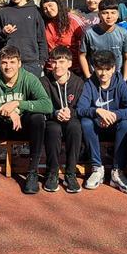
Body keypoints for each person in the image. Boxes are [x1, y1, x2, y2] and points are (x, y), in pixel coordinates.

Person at [0, 45, 53, 197]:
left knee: (39, 117)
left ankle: (32, 172)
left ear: (19, 63)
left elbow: (47, 105)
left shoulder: (29, 78)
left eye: (12, 62)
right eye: (4, 62)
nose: (8, 66)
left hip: (23, 127)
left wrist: (18, 104)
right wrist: (6, 109)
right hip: (1, 127)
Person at [76, 50, 127, 193]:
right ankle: (97, 168)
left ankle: (117, 171)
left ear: (114, 69)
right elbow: (80, 109)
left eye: (107, 69)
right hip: (96, 127)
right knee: (86, 122)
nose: (103, 73)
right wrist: (97, 111)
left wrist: (115, 115)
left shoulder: (120, 83)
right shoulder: (89, 84)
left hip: (114, 127)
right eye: (99, 69)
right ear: (94, 68)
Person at [39, 46, 85, 193]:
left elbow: (81, 107)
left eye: (62, 61)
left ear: (70, 63)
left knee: (75, 128)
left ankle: (70, 173)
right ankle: (52, 172)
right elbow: (41, 105)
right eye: (54, 62)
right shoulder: (44, 82)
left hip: (71, 118)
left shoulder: (78, 82)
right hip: (53, 118)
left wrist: (70, 112)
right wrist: (54, 113)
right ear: (50, 64)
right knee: (53, 129)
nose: (57, 66)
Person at [0, 0, 48, 77]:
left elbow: (42, 39)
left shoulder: (35, 11)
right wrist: (3, 34)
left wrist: (41, 63)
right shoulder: (3, 12)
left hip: (32, 64)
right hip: (10, 63)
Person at [79, 0, 127, 81]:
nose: (109, 16)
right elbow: (82, 55)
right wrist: (88, 76)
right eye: (105, 13)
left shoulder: (124, 34)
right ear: (99, 15)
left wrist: (124, 79)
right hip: (95, 78)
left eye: (113, 13)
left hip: (116, 78)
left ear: (118, 14)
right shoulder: (89, 33)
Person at [40, 0, 86, 75]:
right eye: (45, 9)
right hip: (52, 68)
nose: (48, 10)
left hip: (73, 68)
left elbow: (86, 40)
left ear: (58, 4)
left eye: (51, 6)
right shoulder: (44, 23)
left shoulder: (72, 20)